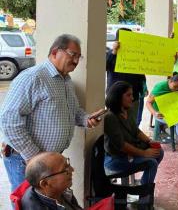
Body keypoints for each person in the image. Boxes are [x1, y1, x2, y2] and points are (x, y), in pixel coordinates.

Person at [0, 34, 103, 191]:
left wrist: (87, 119)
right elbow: (9, 122)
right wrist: (35, 157)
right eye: (73, 55)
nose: (76, 61)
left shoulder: (66, 81)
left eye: (79, 57)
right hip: (25, 159)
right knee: (29, 204)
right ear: (55, 52)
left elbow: (74, 111)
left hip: (49, 161)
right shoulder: (33, 78)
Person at [104, 81, 164, 184]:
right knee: (151, 162)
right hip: (116, 159)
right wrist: (144, 153)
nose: (132, 98)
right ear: (117, 97)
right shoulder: (110, 117)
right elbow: (121, 145)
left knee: (159, 152)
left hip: (129, 152)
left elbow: (136, 131)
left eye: (132, 94)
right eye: (128, 95)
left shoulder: (128, 110)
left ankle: (144, 182)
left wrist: (149, 141)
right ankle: (143, 193)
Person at [146, 74, 178, 159]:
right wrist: (155, 113)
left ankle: (176, 132)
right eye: (175, 86)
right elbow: (148, 103)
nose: (176, 89)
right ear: (170, 81)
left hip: (174, 111)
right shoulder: (160, 87)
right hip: (161, 114)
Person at [106, 28, 147, 126]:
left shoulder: (136, 54)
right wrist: (114, 52)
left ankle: (131, 140)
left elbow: (140, 72)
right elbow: (105, 67)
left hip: (134, 95)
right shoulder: (111, 54)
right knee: (115, 122)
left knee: (133, 122)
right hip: (116, 96)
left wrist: (143, 87)